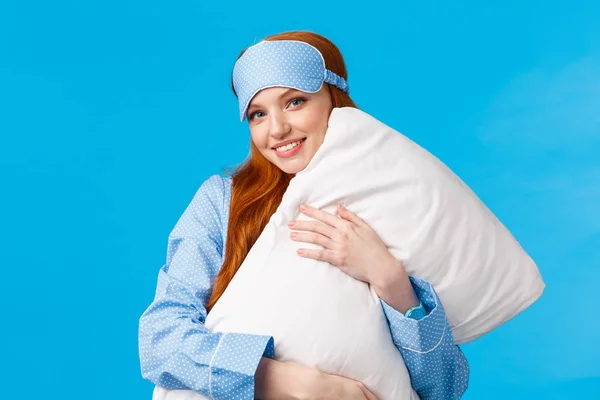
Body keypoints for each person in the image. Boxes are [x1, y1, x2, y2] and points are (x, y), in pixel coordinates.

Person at [139, 31, 470, 400]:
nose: (277, 129)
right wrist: (285, 380)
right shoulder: (224, 202)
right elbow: (160, 338)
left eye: (295, 102)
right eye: (258, 114)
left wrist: (391, 280)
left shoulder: (389, 200)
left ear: (335, 100)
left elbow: (445, 389)